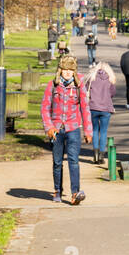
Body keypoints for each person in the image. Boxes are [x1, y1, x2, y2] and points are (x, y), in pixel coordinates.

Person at [41, 55, 92, 205]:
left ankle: (75, 193)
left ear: (74, 71)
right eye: (65, 69)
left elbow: (85, 108)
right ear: (60, 70)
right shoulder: (52, 85)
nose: (68, 72)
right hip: (56, 130)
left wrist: (88, 131)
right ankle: (57, 190)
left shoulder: (79, 86)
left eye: (71, 69)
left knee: (73, 161)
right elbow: (44, 108)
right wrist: (48, 126)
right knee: (57, 162)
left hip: (73, 128)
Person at [85, 60, 116, 163]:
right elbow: (112, 93)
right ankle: (102, 156)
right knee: (103, 132)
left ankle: (95, 155)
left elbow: (85, 90)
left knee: (94, 131)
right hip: (106, 108)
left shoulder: (92, 78)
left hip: (93, 107)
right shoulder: (110, 79)